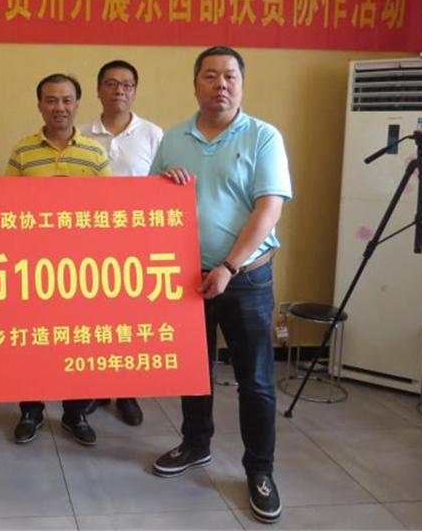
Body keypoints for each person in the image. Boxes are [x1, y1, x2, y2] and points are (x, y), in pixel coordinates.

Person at [149, 46, 291, 525]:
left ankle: (260, 470)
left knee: (255, 380)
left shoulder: (263, 136)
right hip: (187, 277)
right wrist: (165, 183)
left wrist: (229, 266)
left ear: (242, 84)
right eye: (210, 76)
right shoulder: (174, 138)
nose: (221, 84)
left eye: (230, 76)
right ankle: (196, 444)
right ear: (195, 84)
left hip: (245, 279)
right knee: (194, 371)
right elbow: (149, 201)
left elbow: (268, 209)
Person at [6, 73, 111, 446]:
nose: (59, 107)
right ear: (40, 105)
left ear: (78, 105)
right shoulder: (22, 152)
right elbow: (5, 210)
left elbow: (111, 211)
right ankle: (31, 411)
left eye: (66, 100)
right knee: (31, 342)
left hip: (81, 269)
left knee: (78, 341)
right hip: (32, 267)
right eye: (51, 100)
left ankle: (75, 412)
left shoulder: (96, 154)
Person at [80, 59, 164, 427]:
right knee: (93, 321)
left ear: (134, 91)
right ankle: (94, 389)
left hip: (135, 247)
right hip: (88, 244)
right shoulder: (81, 134)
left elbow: (164, 188)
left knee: (128, 323)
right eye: (111, 84)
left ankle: (126, 392)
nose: (119, 91)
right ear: (98, 90)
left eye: (127, 85)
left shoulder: (153, 135)